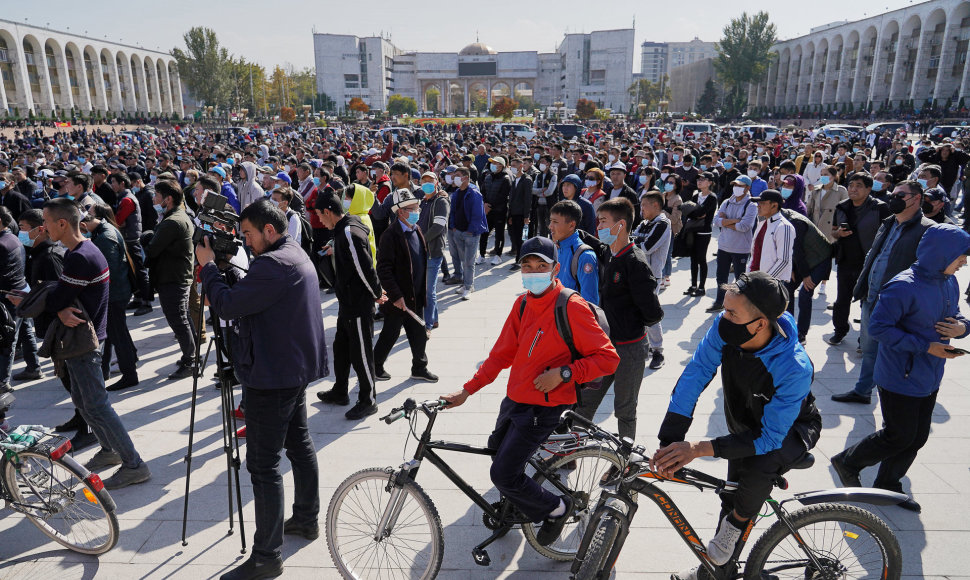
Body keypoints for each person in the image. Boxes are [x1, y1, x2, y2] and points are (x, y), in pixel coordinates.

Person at [440, 236, 619, 546]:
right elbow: (500, 355)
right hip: (515, 400)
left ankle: (557, 509)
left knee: (504, 474)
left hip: (544, 409)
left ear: (555, 269)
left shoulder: (571, 305)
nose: (533, 271)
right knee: (498, 451)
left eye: (541, 266)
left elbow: (608, 358)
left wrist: (564, 373)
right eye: (527, 266)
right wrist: (467, 391)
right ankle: (518, 505)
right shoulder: (522, 303)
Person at [652, 272, 821, 579]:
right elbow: (696, 374)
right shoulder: (725, 329)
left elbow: (770, 437)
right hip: (745, 425)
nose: (723, 318)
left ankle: (734, 529)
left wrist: (700, 448)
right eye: (724, 309)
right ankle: (716, 571)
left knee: (755, 474)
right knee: (730, 496)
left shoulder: (794, 365)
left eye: (732, 312)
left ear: (760, 323)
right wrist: (670, 440)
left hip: (791, 430)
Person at [196, 198, 327, 580]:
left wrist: (208, 268)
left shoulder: (273, 264)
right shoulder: (292, 251)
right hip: (290, 367)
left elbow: (229, 306)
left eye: (249, 235)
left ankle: (267, 557)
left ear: (270, 230)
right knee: (299, 444)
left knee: (263, 465)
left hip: (273, 375)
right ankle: (305, 519)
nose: (245, 242)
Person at [13, 198, 152, 489]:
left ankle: (134, 464)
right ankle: (110, 449)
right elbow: (63, 298)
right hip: (86, 339)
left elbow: (59, 299)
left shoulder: (79, 257)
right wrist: (57, 303)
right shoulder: (85, 249)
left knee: (97, 405)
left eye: (47, 223)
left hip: (84, 343)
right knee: (83, 401)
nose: (43, 228)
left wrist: (33, 300)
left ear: (62, 223)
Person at [832, 224, 970, 513]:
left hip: (930, 373)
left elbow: (956, 314)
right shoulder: (903, 286)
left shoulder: (949, 282)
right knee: (898, 434)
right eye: (961, 256)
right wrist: (925, 346)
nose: (964, 263)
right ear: (942, 254)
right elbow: (879, 328)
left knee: (917, 436)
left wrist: (962, 327)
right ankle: (847, 461)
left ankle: (888, 485)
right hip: (900, 375)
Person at [832, 180, 934, 404]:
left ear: (916, 199)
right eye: (894, 194)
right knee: (869, 349)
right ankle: (863, 390)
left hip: (896, 303)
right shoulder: (888, 222)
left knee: (891, 352)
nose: (894, 199)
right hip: (871, 296)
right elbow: (874, 256)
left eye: (901, 195)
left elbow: (927, 270)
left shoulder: (926, 229)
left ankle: (893, 396)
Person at [575, 198, 664, 438]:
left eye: (603, 221)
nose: (599, 227)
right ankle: (569, 453)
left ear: (620, 225)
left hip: (630, 350)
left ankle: (625, 463)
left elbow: (653, 313)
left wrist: (626, 320)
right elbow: (596, 243)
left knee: (624, 410)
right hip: (604, 347)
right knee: (584, 404)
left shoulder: (635, 263)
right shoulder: (610, 251)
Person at [314, 188, 386, 418]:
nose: (319, 220)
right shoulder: (344, 228)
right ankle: (340, 391)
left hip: (358, 303)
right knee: (341, 348)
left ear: (328, 211)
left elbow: (364, 267)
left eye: (320, 215)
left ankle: (368, 399)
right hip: (347, 301)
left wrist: (376, 293)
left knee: (361, 353)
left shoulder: (349, 232)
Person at [372, 188, 439, 392]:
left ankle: (419, 367)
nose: (417, 211)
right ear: (401, 211)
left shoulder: (416, 229)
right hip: (399, 298)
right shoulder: (390, 235)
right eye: (413, 208)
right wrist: (396, 295)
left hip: (416, 295)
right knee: (390, 334)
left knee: (418, 333)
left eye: (417, 207)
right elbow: (383, 269)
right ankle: (375, 366)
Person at [828, 172, 891, 345]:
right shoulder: (842, 206)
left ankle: (865, 339)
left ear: (869, 189)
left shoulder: (880, 208)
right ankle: (839, 331)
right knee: (842, 299)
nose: (853, 189)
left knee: (868, 301)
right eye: (851, 185)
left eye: (859, 186)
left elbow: (888, 235)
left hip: (870, 263)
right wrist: (838, 234)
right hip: (845, 261)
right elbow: (833, 231)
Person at [80, 206, 139, 392]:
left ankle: (129, 375)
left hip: (114, 294)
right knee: (120, 332)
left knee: (117, 334)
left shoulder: (105, 238)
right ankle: (131, 362)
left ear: (83, 224)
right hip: (116, 291)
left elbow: (108, 272)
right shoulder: (103, 230)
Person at [630, 191, 670, 369]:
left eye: (644, 205)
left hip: (651, 275)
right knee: (636, 312)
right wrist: (633, 241)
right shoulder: (645, 223)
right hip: (636, 272)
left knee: (650, 313)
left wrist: (632, 242)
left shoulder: (663, 223)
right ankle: (644, 347)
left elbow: (646, 247)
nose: (641, 209)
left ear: (655, 205)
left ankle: (658, 350)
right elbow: (632, 237)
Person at [709, 176, 759, 312]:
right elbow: (716, 220)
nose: (736, 188)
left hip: (741, 248)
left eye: (740, 185)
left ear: (747, 188)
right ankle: (720, 301)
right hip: (724, 246)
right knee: (721, 277)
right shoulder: (726, 202)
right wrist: (735, 220)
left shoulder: (751, 205)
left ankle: (740, 305)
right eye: (735, 185)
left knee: (740, 278)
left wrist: (726, 221)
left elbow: (745, 226)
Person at [416, 172, 449, 333]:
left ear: (437, 183)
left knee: (429, 291)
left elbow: (438, 226)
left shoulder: (441, 201)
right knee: (427, 290)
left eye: (430, 181)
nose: (427, 184)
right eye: (424, 181)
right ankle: (434, 320)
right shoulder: (423, 201)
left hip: (432, 251)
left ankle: (427, 325)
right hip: (422, 250)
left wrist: (422, 239)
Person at [549, 199, 599, 305]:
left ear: (571, 225)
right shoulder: (555, 248)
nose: (550, 226)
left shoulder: (584, 256)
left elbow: (589, 303)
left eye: (555, 222)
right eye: (551, 221)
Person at [448, 167, 487, 300]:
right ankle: (465, 284)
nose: (455, 178)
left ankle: (469, 286)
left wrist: (471, 230)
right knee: (463, 260)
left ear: (465, 177)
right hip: (458, 231)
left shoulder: (474, 193)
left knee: (469, 262)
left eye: (458, 175)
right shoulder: (457, 192)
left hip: (470, 233)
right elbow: (452, 211)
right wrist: (453, 227)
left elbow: (477, 215)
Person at [748, 190, 795, 282]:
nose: (758, 206)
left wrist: (766, 281)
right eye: (758, 203)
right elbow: (755, 253)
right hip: (755, 278)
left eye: (762, 203)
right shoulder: (762, 221)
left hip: (771, 283)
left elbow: (784, 260)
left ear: (774, 205)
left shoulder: (784, 227)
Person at [684, 172, 718, 297]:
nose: (699, 181)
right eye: (698, 179)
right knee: (693, 258)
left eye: (703, 179)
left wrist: (696, 213)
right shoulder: (695, 196)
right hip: (693, 230)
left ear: (710, 182)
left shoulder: (712, 197)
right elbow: (689, 212)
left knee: (701, 258)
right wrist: (696, 213)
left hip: (704, 231)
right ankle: (693, 285)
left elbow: (702, 212)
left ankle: (701, 287)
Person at [480, 155, 512, 265]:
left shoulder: (506, 179)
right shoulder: (488, 177)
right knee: (484, 233)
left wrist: (490, 206)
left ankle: (498, 255)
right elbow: (483, 191)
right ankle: (481, 255)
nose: (493, 165)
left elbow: (503, 196)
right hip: (487, 210)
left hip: (499, 211)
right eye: (492, 163)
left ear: (501, 166)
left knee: (499, 234)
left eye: (495, 163)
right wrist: (485, 204)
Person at [507, 157, 533, 268]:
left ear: (521, 166)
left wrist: (526, 216)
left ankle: (521, 260)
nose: (512, 168)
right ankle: (519, 258)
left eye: (514, 165)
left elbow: (528, 199)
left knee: (522, 238)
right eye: (511, 165)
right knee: (515, 238)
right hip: (514, 214)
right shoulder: (514, 180)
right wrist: (510, 215)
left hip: (522, 215)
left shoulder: (526, 179)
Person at [532, 155, 558, 237]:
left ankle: (552, 244)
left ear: (548, 163)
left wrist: (539, 193)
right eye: (540, 162)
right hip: (539, 205)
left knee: (550, 226)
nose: (541, 163)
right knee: (541, 227)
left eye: (543, 161)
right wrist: (542, 190)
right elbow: (532, 190)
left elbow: (549, 192)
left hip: (549, 205)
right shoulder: (538, 175)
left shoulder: (553, 176)